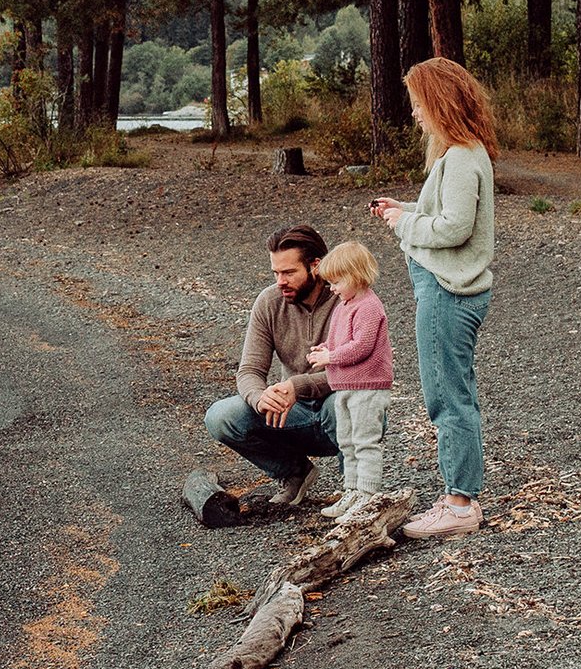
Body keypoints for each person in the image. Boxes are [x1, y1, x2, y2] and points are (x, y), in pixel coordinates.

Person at [371, 56, 498, 543]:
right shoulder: (460, 155)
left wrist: (405, 225)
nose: (415, 114)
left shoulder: (464, 157)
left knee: (447, 397)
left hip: (448, 292)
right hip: (443, 287)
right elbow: (442, 213)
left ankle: (460, 503)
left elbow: (454, 227)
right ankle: (455, 496)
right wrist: (403, 208)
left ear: (439, 104)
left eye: (419, 104)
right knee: (447, 392)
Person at [201, 224, 340, 507]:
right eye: (276, 272)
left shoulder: (346, 297)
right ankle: (294, 473)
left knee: (347, 404)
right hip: (293, 413)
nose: (280, 281)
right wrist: (261, 397)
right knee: (221, 416)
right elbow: (249, 370)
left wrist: (296, 386)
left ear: (316, 266)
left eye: (289, 273)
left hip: (337, 407)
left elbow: (360, 371)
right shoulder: (269, 302)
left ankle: (356, 490)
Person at [304, 241, 393, 520]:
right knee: (347, 441)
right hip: (344, 386)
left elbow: (360, 346)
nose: (332, 288)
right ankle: (352, 490)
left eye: (337, 281)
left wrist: (330, 357)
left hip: (367, 387)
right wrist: (325, 348)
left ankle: (368, 495)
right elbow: (338, 337)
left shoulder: (368, 307)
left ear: (356, 276)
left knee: (365, 441)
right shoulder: (345, 304)